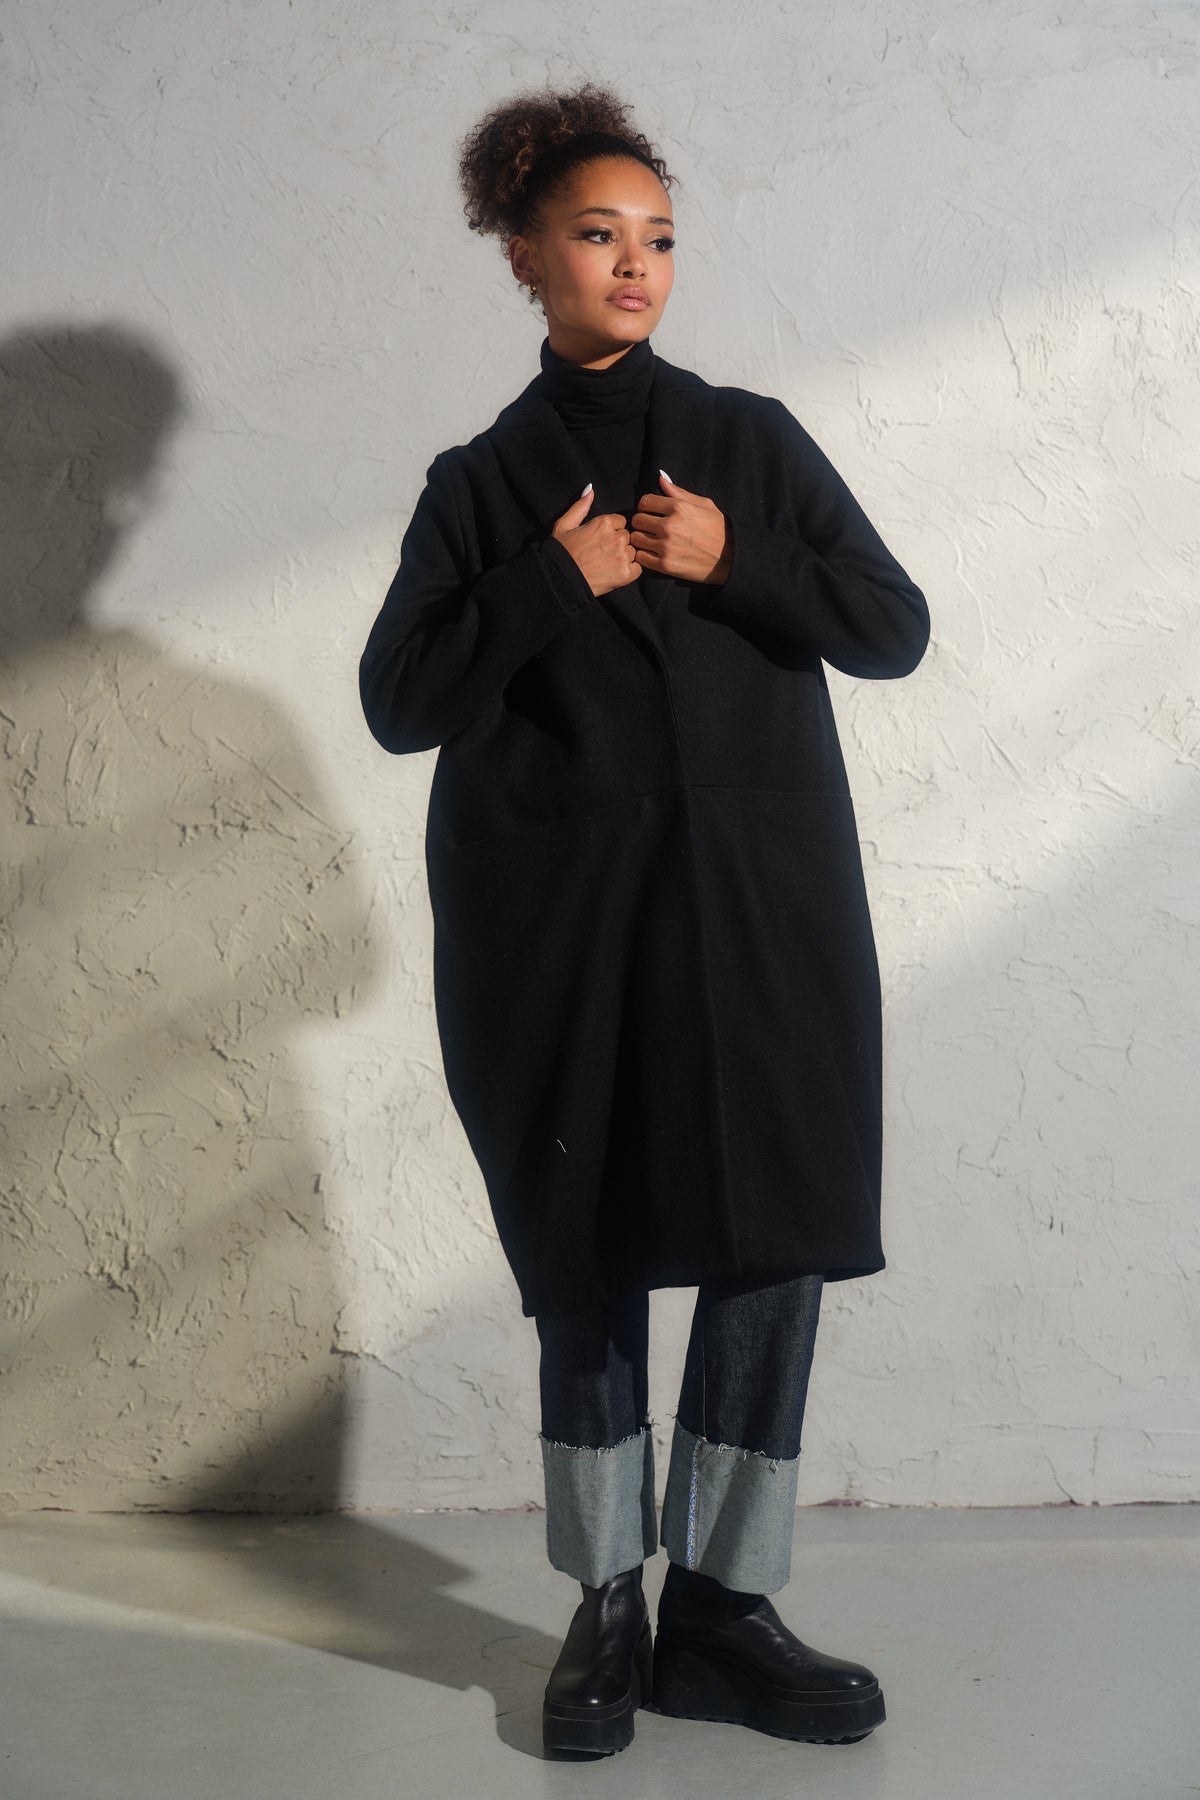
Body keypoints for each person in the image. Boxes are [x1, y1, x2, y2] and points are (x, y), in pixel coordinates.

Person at [359, 82, 930, 1759]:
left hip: (761, 911)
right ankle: (607, 1600)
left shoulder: (750, 442)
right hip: (563, 923)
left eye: (658, 238)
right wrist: (560, 579)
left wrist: (739, 557)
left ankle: (724, 1614)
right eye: (597, 235)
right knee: (587, 1243)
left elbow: (891, 627)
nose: (634, 264)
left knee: (776, 1235)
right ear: (525, 256)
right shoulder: (481, 484)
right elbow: (399, 700)